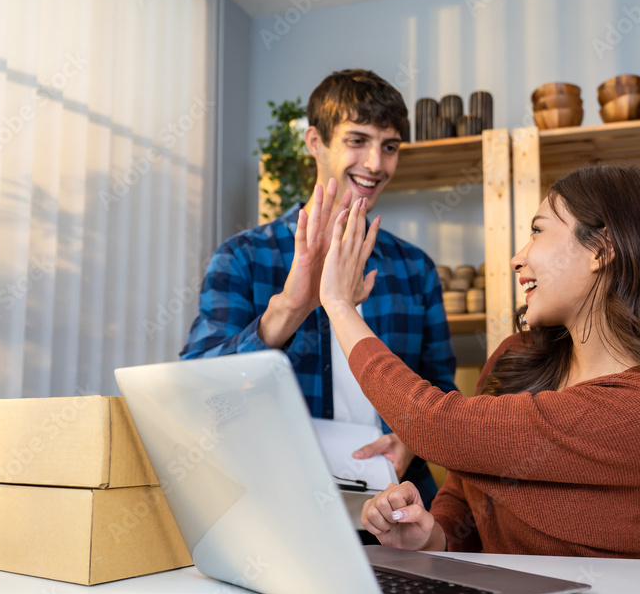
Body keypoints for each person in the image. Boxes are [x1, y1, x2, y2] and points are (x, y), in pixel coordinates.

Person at [318, 165, 640, 559]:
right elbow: (463, 495)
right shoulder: (517, 359)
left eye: (537, 231)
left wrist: (339, 306)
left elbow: (434, 424)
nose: (517, 259)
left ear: (601, 251)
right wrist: (431, 535)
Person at [180, 69, 456, 506]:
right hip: (278, 504)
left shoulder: (414, 268)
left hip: (395, 506)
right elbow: (194, 389)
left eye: (389, 147)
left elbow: (440, 388)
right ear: (315, 143)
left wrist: (410, 438)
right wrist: (288, 309)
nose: (375, 164)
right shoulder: (244, 257)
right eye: (357, 140)